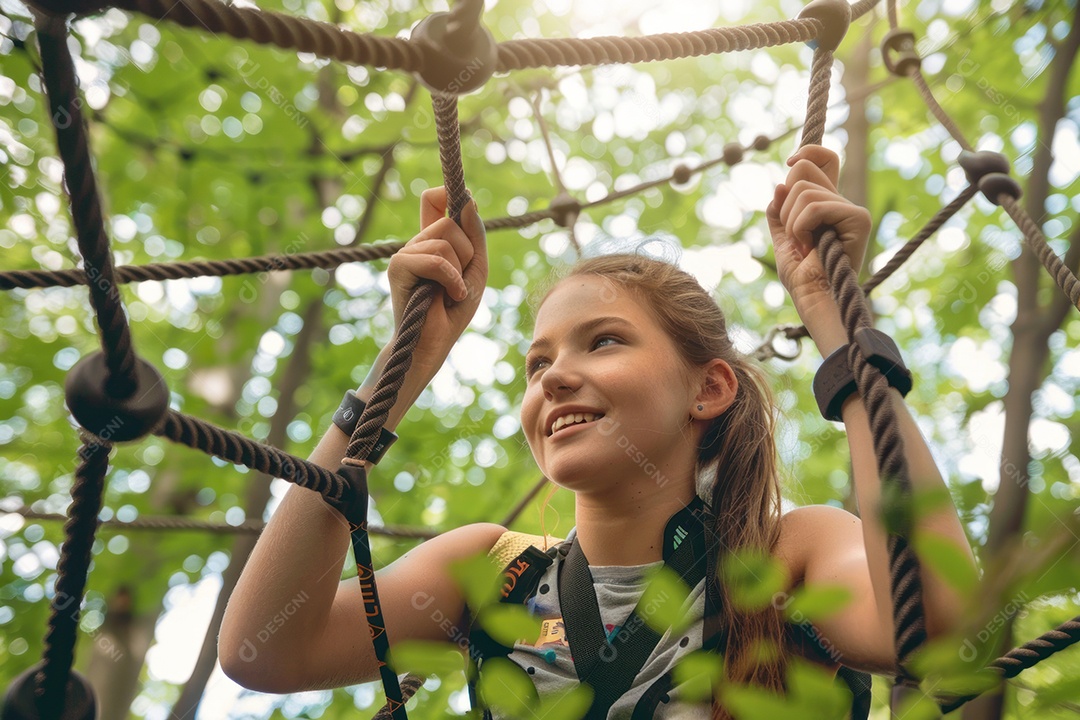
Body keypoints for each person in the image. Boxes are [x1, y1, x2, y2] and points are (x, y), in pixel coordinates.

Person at [218, 145, 976, 718]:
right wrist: (400, 369)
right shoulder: (492, 573)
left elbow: (934, 621)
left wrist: (839, 328)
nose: (552, 376)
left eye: (603, 342)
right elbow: (264, 650)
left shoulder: (790, 556)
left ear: (709, 388)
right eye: (536, 362)